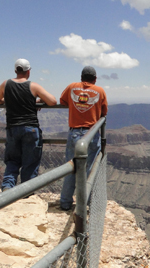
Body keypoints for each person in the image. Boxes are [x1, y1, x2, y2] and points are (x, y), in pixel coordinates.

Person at [0, 58, 57, 191]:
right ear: (28, 72)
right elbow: (53, 101)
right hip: (30, 128)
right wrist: (37, 100)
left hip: (13, 128)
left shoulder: (6, 84)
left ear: (15, 71)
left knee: (12, 160)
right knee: (30, 162)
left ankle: (8, 187)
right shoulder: (33, 86)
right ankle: (26, 191)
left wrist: (8, 99)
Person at [59, 66, 108, 210]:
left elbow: (62, 101)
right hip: (91, 134)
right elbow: (104, 112)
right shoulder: (100, 91)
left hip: (74, 133)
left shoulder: (72, 87)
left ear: (81, 77)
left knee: (71, 169)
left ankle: (65, 203)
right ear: (95, 78)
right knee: (89, 171)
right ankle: (84, 205)